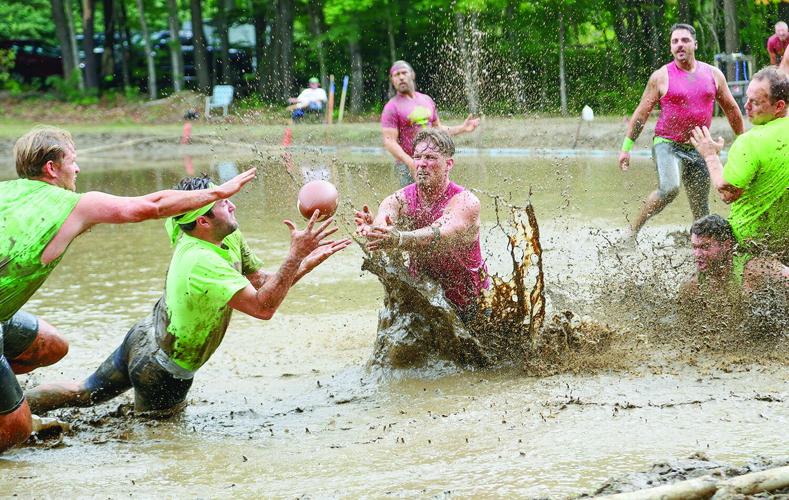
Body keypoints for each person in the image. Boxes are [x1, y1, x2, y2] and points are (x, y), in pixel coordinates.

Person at [0, 127, 256, 452]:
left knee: (51, 347)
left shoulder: (7, 191)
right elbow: (151, 205)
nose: (77, 169)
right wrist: (217, 193)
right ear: (51, 167)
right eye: (72, 161)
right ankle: (12, 417)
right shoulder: (78, 205)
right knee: (18, 428)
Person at [25, 175, 350, 418]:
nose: (232, 204)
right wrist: (295, 256)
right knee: (159, 447)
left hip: (144, 335)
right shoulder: (202, 262)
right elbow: (263, 308)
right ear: (203, 221)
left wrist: (304, 261)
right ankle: (13, 414)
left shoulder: (202, 229)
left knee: (84, 392)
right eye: (223, 203)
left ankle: (15, 405)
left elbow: (261, 283)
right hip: (162, 371)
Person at [618, 23, 744, 239]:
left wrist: (743, 141)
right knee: (670, 188)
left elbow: (732, 109)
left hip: (699, 147)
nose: (679, 45)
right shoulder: (661, 76)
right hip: (667, 144)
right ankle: (631, 233)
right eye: (675, 41)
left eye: (685, 40)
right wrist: (626, 148)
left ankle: (699, 248)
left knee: (701, 210)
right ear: (670, 47)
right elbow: (641, 114)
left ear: (695, 44)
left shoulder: (713, 75)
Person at [355, 128, 488, 320]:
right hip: (422, 302)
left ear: (449, 164)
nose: (421, 163)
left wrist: (399, 238)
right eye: (417, 157)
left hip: (469, 304)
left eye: (430, 157)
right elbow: (384, 218)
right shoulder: (400, 199)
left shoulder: (466, 202)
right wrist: (374, 231)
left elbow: (440, 233)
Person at [689, 66, 788, 262]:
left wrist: (710, 156)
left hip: (749, 248)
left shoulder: (750, 141)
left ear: (779, 106)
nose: (746, 106)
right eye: (747, 99)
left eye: (755, 102)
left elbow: (727, 193)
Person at [381, 60, 481, 186]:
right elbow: (389, 141)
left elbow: (437, 130)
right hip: (407, 165)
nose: (401, 77)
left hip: (432, 160)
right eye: (396, 75)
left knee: (439, 195)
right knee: (412, 198)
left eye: (404, 73)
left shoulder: (426, 100)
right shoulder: (391, 107)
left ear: (412, 74)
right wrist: (410, 162)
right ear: (392, 80)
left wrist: (462, 128)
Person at [680, 214, 788, 300]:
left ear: (726, 245)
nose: (697, 254)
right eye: (694, 247)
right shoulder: (692, 285)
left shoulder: (754, 268)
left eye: (705, 247)